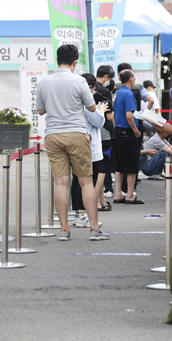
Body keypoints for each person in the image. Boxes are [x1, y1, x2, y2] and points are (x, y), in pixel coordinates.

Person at [36, 44, 107, 241]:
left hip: (53, 135)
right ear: (75, 62)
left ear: (57, 59)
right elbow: (92, 108)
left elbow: (41, 111)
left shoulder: (44, 82)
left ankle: (64, 230)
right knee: (86, 183)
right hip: (76, 133)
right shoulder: (79, 81)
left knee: (61, 182)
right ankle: (94, 229)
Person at [70, 73, 108, 227]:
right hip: (89, 147)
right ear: (91, 87)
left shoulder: (74, 100)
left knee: (77, 182)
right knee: (86, 183)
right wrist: (101, 110)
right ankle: (82, 215)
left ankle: (79, 215)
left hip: (78, 144)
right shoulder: (87, 102)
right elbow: (98, 122)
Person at [112, 70, 144, 204]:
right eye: (134, 77)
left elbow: (113, 115)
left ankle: (118, 193)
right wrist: (136, 130)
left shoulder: (116, 93)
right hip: (127, 131)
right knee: (131, 164)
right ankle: (130, 194)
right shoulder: (129, 94)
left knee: (119, 165)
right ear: (131, 79)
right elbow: (129, 115)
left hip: (118, 130)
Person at [94, 65, 115, 211]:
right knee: (102, 170)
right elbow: (110, 116)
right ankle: (94, 200)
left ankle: (102, 200)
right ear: (106, 77)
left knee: (94, 169)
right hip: (104, 133)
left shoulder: (86, 88)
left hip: (91, 133)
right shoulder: (104, 92)